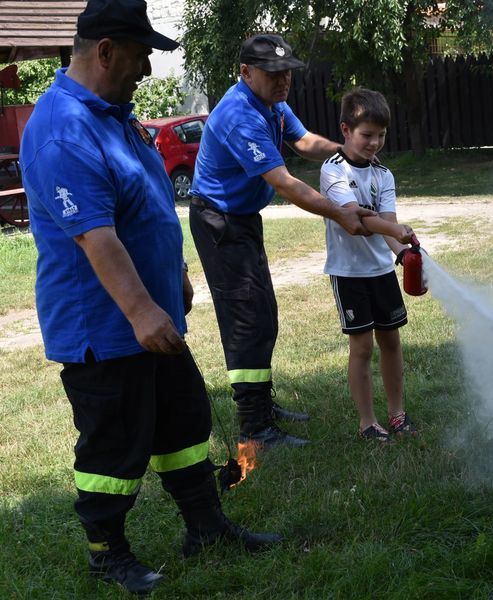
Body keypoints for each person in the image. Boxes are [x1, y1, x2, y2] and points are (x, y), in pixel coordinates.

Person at [19, 0, 281, 594]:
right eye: (139, 57)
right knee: (115, 446)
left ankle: (206, 525)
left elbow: (150, 207)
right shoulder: (63, 128)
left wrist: (176, 274)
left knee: (185, 423)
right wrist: (139, 309)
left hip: (152, 316)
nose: (146, 70)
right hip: (104, 329)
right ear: (106, 50)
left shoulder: (115, 116)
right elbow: (95, 234)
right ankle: (106, 551)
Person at [190, 34, 375, 448]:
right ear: (246, 73)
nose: (284, 80)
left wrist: (351, 152)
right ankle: (254, 426)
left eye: (287, 71)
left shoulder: (271, 104)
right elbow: (285, 183)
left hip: (241, 219)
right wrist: (340, 212)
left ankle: (262, 405)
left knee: (263, 312)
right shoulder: (241, 115)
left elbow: (305, 141)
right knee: (246, 319)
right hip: (218, 222)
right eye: (274, 74)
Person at [321, 88, 419, 442]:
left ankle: (397, 415)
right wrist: (395, 229)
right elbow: (359, 221)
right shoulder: (333, 171)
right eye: (366, 135)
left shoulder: (384, 175)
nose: (374, 142)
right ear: (346, 130)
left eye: (380, 135)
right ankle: (367, 423)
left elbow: (389, 223)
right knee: (362, 347)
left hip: (381, 272)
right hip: (349, 274)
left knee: (391, 342)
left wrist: (403, 254)